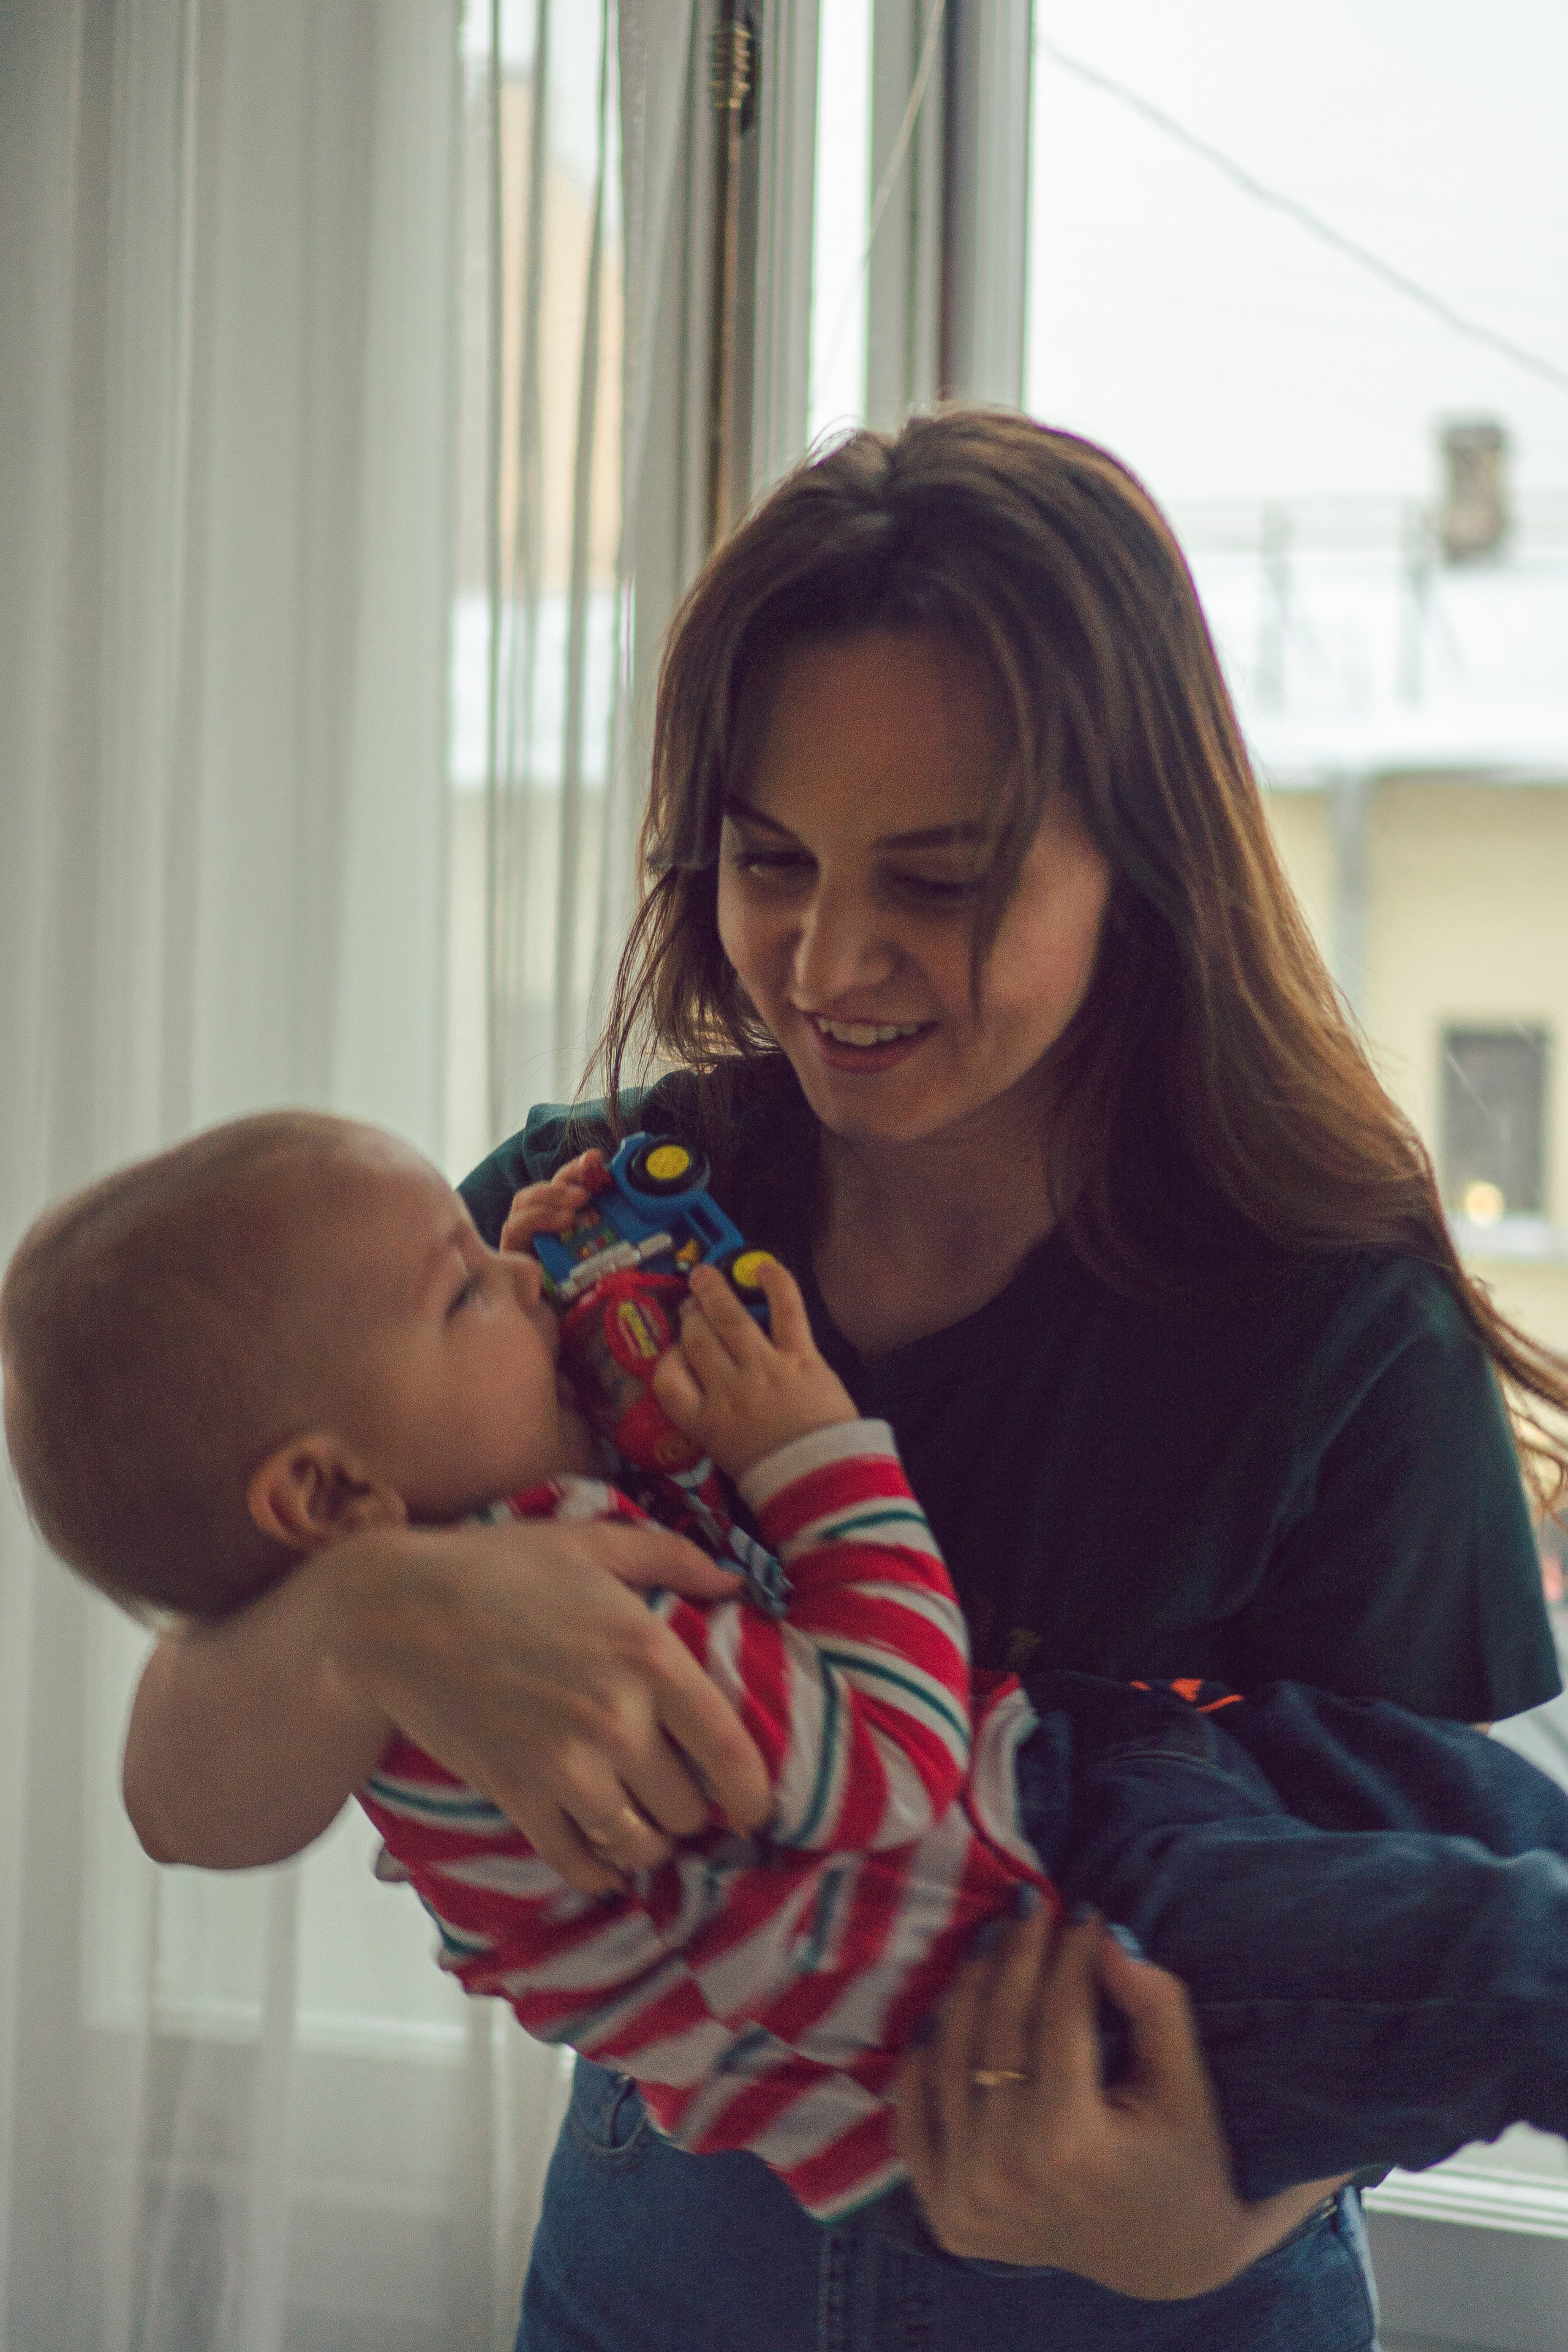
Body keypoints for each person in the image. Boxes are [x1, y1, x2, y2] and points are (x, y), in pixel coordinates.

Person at [118, 411, 1568, 2350]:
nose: (828, 955)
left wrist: (1201, 2224)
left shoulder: (1326, 1312)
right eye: (769, 859)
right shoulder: (569, 1243)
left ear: (1137, 864)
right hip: (663, 2271)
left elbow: (1402, 1921)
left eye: (943, 879)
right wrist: (362, 1626)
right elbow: (178, 1797)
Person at [9, 1108, 1568, 2228]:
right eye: (473, 1284)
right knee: (1512, 1965)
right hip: (1067, 1930)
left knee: (1501, 1867)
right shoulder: (560, 1624)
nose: (531, 1275)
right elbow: (886, 1760)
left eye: (937, 875)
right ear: (336, 1499)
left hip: (1097, 1823)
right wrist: (813, 1452)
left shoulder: (1328, 1279)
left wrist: (1203, 2236)